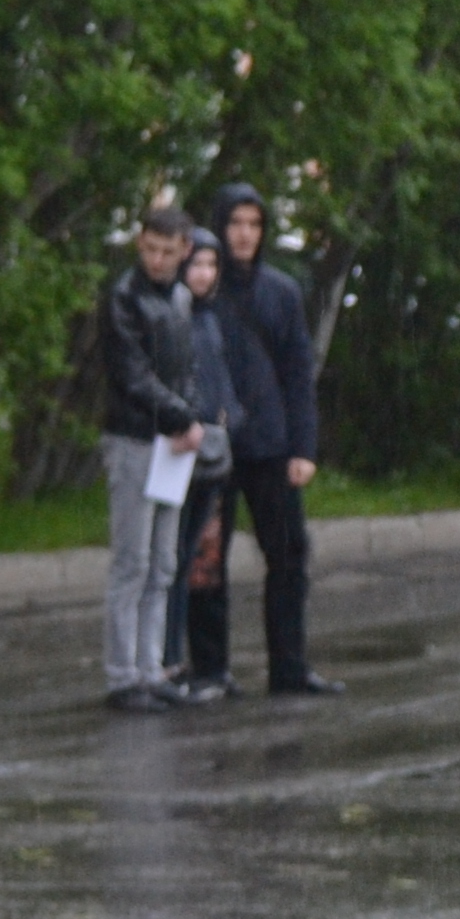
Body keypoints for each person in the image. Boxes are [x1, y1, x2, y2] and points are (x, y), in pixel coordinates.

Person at [206, 185, 340, 697]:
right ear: (220, 226)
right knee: (207, 563)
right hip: (212, 449)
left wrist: (303, 447)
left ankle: (289, 666)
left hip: (270, 445)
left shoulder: (281, 291)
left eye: (253, 224)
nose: (243, 233)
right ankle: (211, 670)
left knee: (288, 556)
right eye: (235, 223)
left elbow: (297, 374)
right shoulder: (201, 286)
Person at [95, 205, 203, 713]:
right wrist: (183, 418)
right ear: (140, 244)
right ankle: (123, 675)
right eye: (150, 249)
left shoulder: (180, 298)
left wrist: (187, 419)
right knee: (132, 561)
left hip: (170, 443)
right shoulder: (123, 299)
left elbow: (183, 370)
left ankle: (150, 666)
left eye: (168, 251)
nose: (157, 260)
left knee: (163, 562)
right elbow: (133, 377)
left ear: (184, 251)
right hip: (136, 439)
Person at [162, 231, 243, 704]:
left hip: (213, 453)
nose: (204, 274)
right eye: (196, 264)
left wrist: (230, 417)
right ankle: (170, 660)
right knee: (172, 561)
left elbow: (220, 379)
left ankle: (198, 662)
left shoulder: (211, 317)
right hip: (179, 449)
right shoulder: (174, 315)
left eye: (211, 265)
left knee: (199, 561)